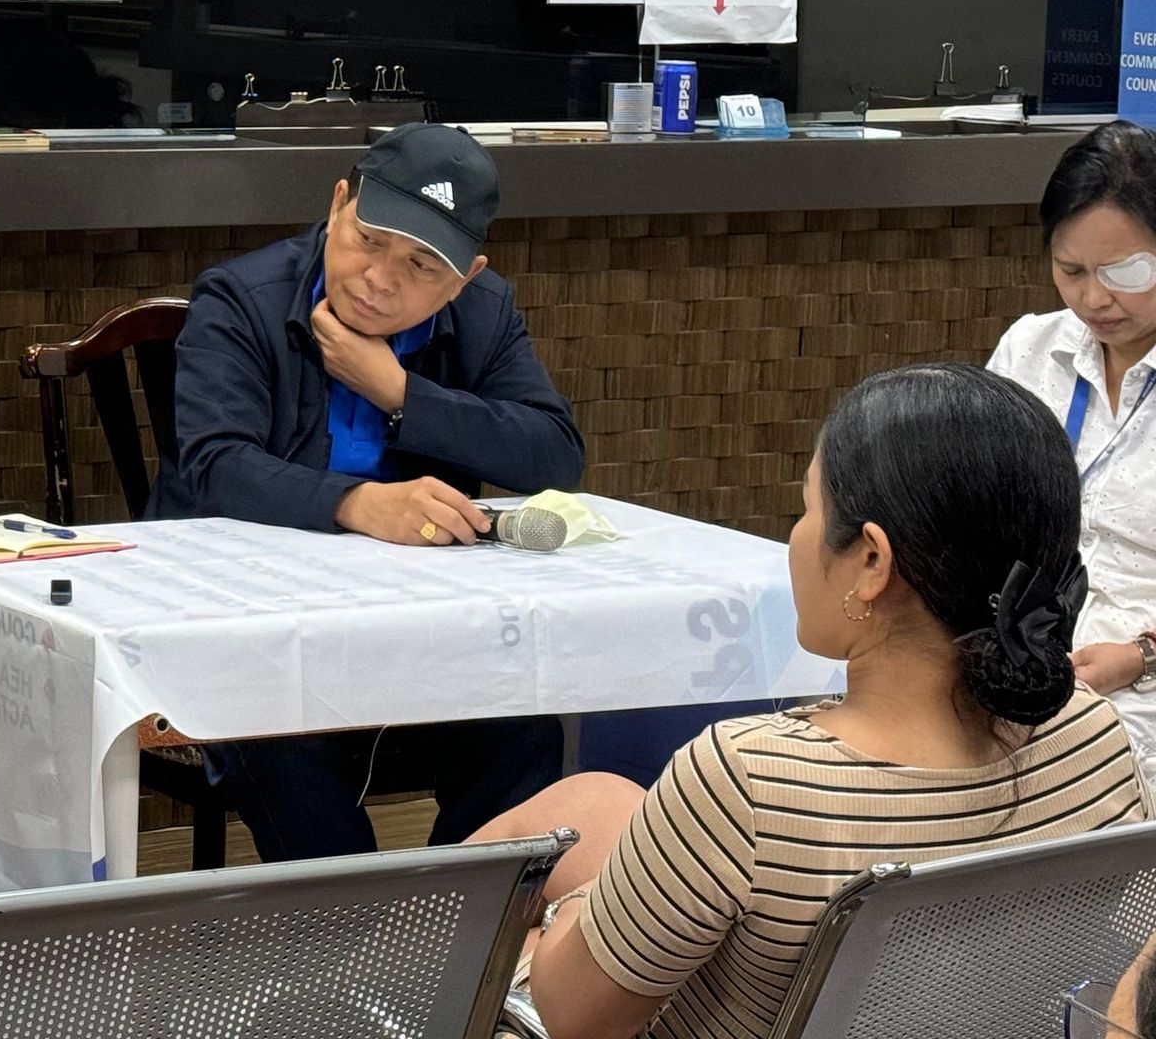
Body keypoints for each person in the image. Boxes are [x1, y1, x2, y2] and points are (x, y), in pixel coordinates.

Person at [473, 363, 1147, 1039]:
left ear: (872, 562)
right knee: (589, 801)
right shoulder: (1091, 732)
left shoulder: (746, 783)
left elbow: (574, 1021)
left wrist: (577, 914)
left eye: (808, 507)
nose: (798, 536)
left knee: (517, 932)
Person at [148, 122, 585, 860]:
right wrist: (358, 505)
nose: (380, 278)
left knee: (524, 735)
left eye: (420, 266)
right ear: (339, 201)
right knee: (284, 757)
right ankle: (358, 961)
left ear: (465, 277)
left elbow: (554, 453)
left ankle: (457, 944)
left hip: (415, 635)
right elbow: (214, 465)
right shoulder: (241, 300)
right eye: (369, 240)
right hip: (248, 637)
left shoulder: (482, 316)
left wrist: (398, 390)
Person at [989, 121, 1156, 778]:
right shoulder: (1032, 351)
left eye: (1126, 272)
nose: (1095, 298)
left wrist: (1143, 655)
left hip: (1135, 683)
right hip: (1021, 654)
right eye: (1071, 269)